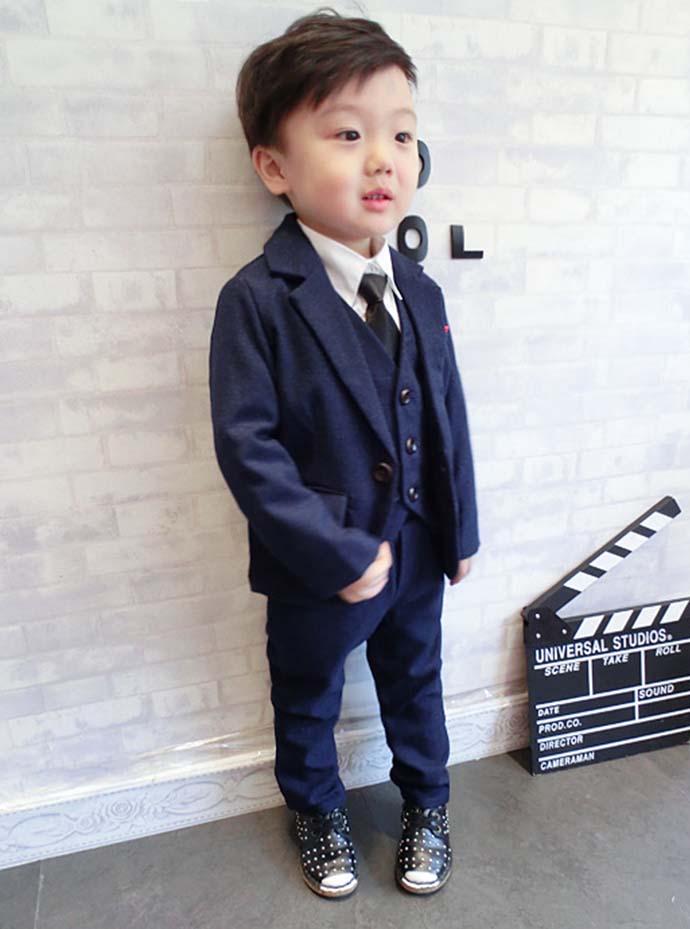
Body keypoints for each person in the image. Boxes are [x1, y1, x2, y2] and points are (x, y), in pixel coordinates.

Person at [209, 7, 479, 899]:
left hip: (420, 546)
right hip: (317, 561)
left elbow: (448, 412)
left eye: (401, 135)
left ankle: (428, 800)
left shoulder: (420, 287)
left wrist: (462, 529)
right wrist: (335, 552)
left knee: (417, 680)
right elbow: (248, 449)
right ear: (274, 166)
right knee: (307, 690)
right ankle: (316, 807)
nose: (383, 160)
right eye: (349, 134)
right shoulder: (258, 299)